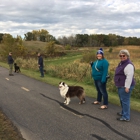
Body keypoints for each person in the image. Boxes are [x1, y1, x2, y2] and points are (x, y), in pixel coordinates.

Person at [114, 49, 135, 122]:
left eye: (124, 55)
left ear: (127, 56)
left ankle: (126, 116)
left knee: (125, 101)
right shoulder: (121, 63)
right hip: (120, 85)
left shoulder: (129, 65)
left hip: (125, 86)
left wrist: (127, 87)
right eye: (120, 55)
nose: (122, 57)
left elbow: (129, 77)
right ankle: (123, 112)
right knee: (122, 100)